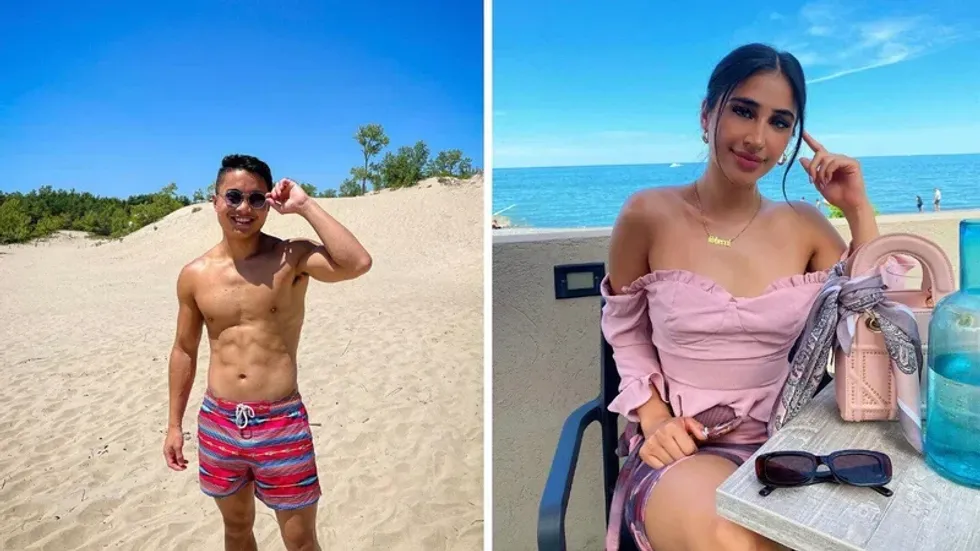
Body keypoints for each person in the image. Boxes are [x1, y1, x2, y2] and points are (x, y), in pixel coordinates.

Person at [601, 43, 894, 551]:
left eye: (780, 122)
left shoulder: (804, 223)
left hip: (794, 446)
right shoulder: (647, 214)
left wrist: (856, 208)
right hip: (684, 452)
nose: (758, 138)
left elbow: (870, 314)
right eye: (743, 111)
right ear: (706, 114)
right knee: (735, 540)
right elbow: (625, 331)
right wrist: (654, 418)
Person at [163, 154, 372, 551]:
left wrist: (305, 206)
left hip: (281, 422)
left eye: (256, 199)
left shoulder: (291, 258)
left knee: (300, 540)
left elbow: (357, 263)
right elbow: (184, 349)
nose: (244, 208)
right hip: (220, 422)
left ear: (268, 205)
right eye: (234, 196)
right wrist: (174, 424)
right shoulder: (195, 274)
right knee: (237, 529)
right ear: (215, 200)